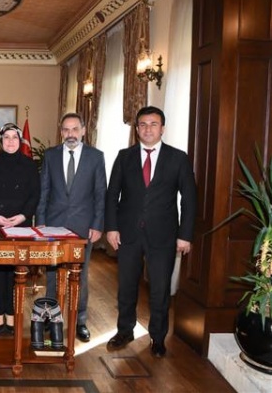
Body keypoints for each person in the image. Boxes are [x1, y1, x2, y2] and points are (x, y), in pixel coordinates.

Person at [105, 106, 197, 358]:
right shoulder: (124, 157)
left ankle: (158, 337)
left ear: (162, 128)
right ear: (137, 129)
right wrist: (111, 227)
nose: (148, 129)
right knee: (126, 287)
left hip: (164, 236)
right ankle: (125, 330)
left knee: (160, 289)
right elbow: (112, 195)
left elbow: (189, 199)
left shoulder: (178, 158)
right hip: (127, 234)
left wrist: (185, 235)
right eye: (143, 124)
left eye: (153, 124)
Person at [35, 112, 106, 343]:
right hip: (53, 224)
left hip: (83, 227)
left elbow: (100, 194)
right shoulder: (51, 155)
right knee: (52, 274)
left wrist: (97, 225)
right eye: (66, 129)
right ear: (61, 132)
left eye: (75, 129)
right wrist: (41, 221)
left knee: (81, 275)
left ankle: (80, 321)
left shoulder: (96, 157)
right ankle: (50, 316)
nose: (70, 134)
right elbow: (44, 190)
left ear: (83, 130)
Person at [0, 123, 40, 334]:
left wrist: (23, 216)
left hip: (21, 225)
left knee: (17, 271)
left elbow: (35, 195)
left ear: (20, 140)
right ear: (1, 141)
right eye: (6, 137)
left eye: (14, 137)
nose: (10, 141)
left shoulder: (30, 165)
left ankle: (13, 312)